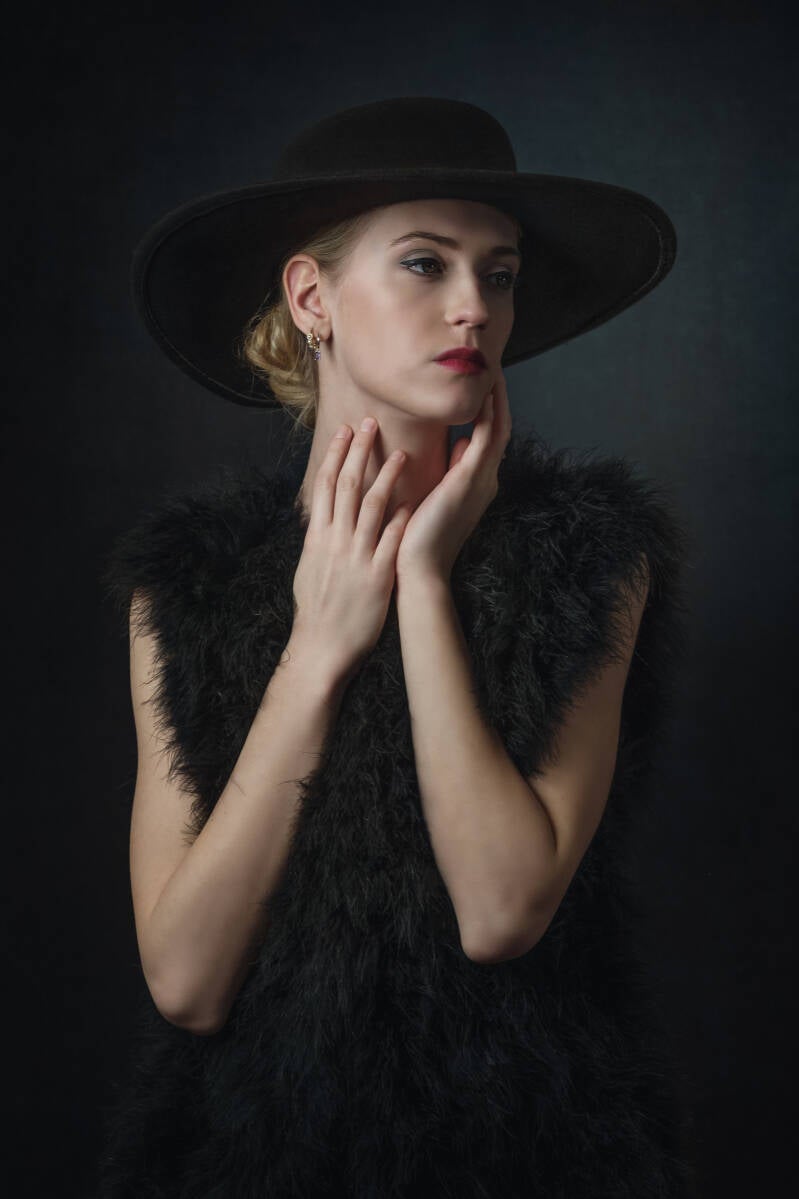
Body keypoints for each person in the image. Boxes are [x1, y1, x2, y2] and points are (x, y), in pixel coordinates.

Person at [96, 97, 699, 1197]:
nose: (475, 306)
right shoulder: (186, 587)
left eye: (499, 274)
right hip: (248, 1164)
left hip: (530, 1158)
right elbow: (185, 981)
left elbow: (501, 912)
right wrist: (316, 650)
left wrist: (421, 583)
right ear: (311, 298)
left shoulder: (589, 559)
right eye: (426, 263)